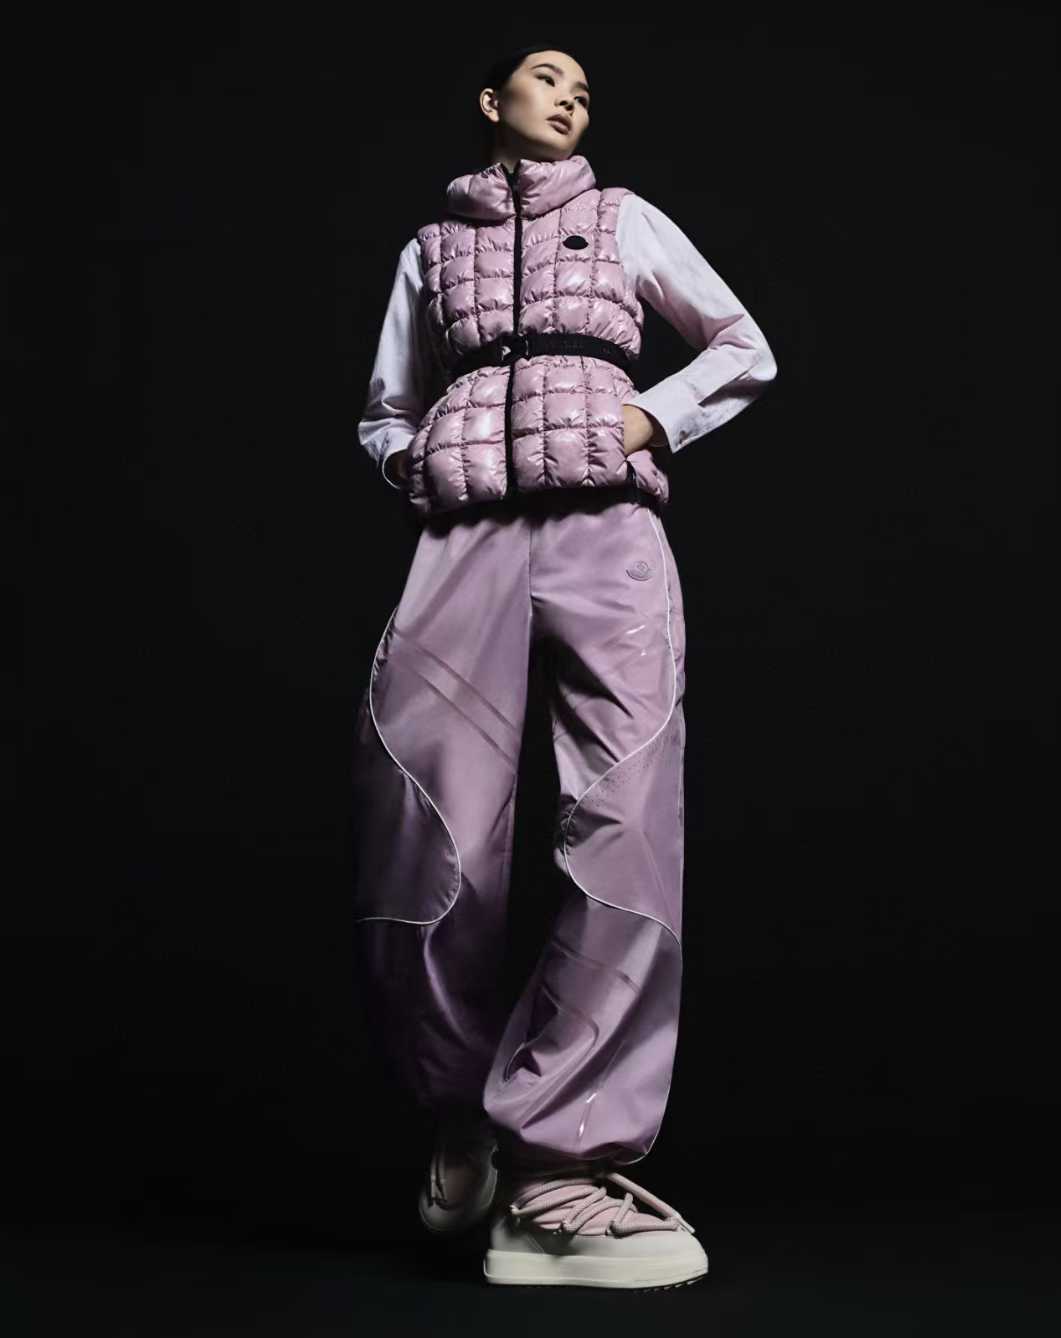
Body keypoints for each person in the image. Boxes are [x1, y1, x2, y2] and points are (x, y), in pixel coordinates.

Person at [353, 42, 778, 1290]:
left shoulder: (627, 219)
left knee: (626, 819)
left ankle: (565, 1162)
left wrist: (651, 415)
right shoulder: (431, 251)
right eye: (548, 76)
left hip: (607, 534)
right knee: (424, 823)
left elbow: (742, 347)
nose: (573, 93)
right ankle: (459, 1113)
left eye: (585, 86)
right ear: (494, 102)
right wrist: (411, 461)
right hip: (466, 539)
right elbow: (384, 407)